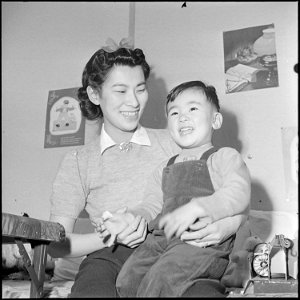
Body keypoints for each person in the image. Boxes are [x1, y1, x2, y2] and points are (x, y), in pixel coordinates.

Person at [47, 38, 248, 297]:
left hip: (180, 249)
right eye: (121, 91)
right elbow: (55, 245)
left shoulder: (178, 142)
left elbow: (235, 195)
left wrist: (228, 226)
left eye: (140, 89)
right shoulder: (77, 161)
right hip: (108, 258)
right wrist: (111, 236)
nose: (133, 101)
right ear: (94, 94)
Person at [112, 80, 251, 297]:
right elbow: (151, 205)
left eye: (193, 109)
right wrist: (131, 217)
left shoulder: (224, 157)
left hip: (200, 243)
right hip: (162, 239)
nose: (182, 117)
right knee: (127, 280)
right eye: (174, 113)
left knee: (162, 279)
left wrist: (199, 208)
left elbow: (238, 193)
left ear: (215, 120)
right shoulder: (164, 167)